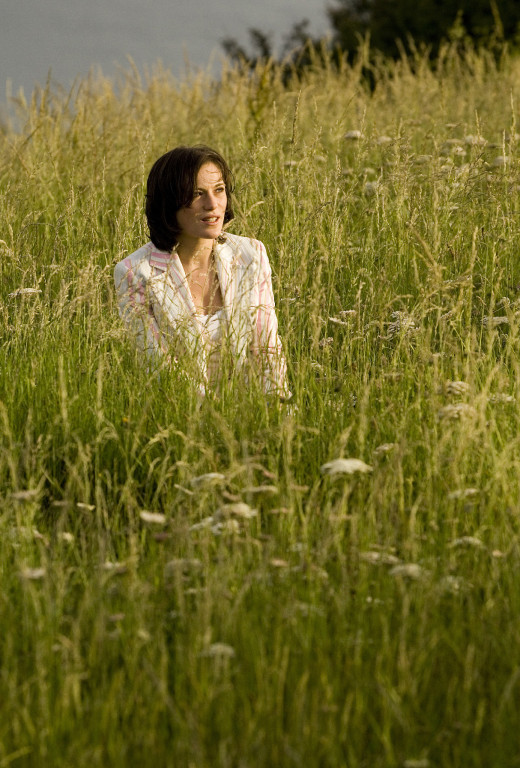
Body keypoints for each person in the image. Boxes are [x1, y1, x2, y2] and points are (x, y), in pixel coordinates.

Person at [114, 145, 290, 399]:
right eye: (197, 194)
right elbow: (158, 364)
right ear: (170, 201)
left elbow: (267, 346)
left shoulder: (251, 253)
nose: (212, 204)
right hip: (181, 415)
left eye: (219, 190)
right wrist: (212, 418)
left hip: (254, 410)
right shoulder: (135, 273)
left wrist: (275, 409)